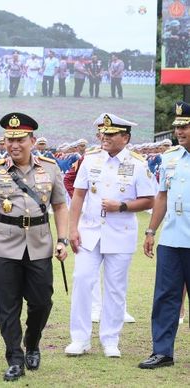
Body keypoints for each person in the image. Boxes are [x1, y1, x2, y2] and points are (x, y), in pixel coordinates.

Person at [0, 112, 69, 382]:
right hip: (5, 245)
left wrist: (62, 239)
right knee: (8, 306)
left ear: (32, 140)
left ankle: (33, 341)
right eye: (9, 140)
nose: (14, 145)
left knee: (42, 301)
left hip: (40, 245)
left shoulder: (50, 168)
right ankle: (14, 358)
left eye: (20, 140)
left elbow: (61, 206)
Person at [65, 113, 155, 358]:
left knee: (115, 288)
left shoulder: (138, 164)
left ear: (125, 137)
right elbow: (79, 196)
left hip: (120, 233)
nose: (105, 137)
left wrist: (122, 206)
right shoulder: (91, 160)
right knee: (82, 281)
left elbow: (150, 199)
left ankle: (110, 339)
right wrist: (72, 229)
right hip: (90, 232)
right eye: (103, 133)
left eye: (111, 133)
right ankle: (80, 339)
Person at [139, 101, 190, 369]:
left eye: (186, 126)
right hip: (171, 240)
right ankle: (162, 351)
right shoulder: (170, 158)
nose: (180, 131)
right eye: (178, 127)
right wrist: (150, 231)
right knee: (165, 297)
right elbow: (162, 196)